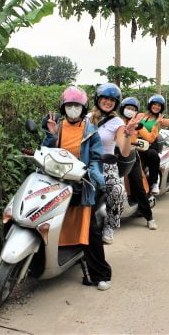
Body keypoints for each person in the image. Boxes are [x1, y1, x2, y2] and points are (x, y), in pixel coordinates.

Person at [42, 86, 111, 290]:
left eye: (77, 106)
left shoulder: (90, 131)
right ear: (63, 108)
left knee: (91, 230)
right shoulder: (58, 127)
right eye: (69, 105)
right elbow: (46, 152)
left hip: (83, 184)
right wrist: (51, 135)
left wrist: (94, 177)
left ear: (84, 108)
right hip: (56, 182)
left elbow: (97, 158)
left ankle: (100, 274)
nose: (73, 109)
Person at [88, 83, 134, 245]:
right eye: (105, 98)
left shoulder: (117, 123)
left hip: (106, 165)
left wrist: (128, 136)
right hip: (85, 163)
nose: (108, 102)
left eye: (112, 100)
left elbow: (124, 151)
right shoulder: (86, 118)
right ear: (98, 99)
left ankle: (109, 224)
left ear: (116, 103)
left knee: (117, 190)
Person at [135, 91, 169, 195]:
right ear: (150, 105)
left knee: (153, 155)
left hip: (150, 145)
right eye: (154, 104)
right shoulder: (140, 116)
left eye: (159, 105)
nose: (156, 107)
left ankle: (154, 183)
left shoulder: (160, 120)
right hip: (134, 143)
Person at [118, 97, 157, 230]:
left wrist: (157, 126)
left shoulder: (137, 124)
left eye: (133, 109)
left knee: (137, 184)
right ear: (122, 108)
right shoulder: (115, 122)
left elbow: (150, 138)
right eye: (128, 108)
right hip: (114, 154)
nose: (130, 111)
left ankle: (149, 217)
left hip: (131, 155)